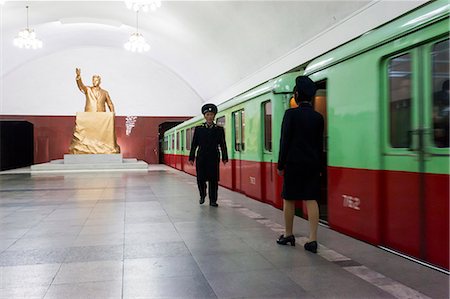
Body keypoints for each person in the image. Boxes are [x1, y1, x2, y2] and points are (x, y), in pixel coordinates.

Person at [276, 75, 324, 253]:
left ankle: (288, 234)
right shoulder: (318, 118)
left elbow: (285, 141)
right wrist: (320, 168)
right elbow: (319, 146)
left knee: (289, 198)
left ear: (296, 94)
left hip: (293, 164)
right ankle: (313, 239)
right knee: (311, 199)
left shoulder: (290, 114)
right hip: (312, 164)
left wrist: (280, 165)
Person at [189, 104, 228, 207]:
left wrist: (224, 157)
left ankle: (213, 200)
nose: (210, 116)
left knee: (213, 180)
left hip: (213, 157)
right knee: (200, 179)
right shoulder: (199, 129)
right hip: (201, 157)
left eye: (211, 114)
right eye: (208, 114)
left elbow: (223, 144)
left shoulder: (219, 129)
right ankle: (202, 195)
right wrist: (191, 157)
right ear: (204, 116)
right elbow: (194, 144)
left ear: (214, 116)